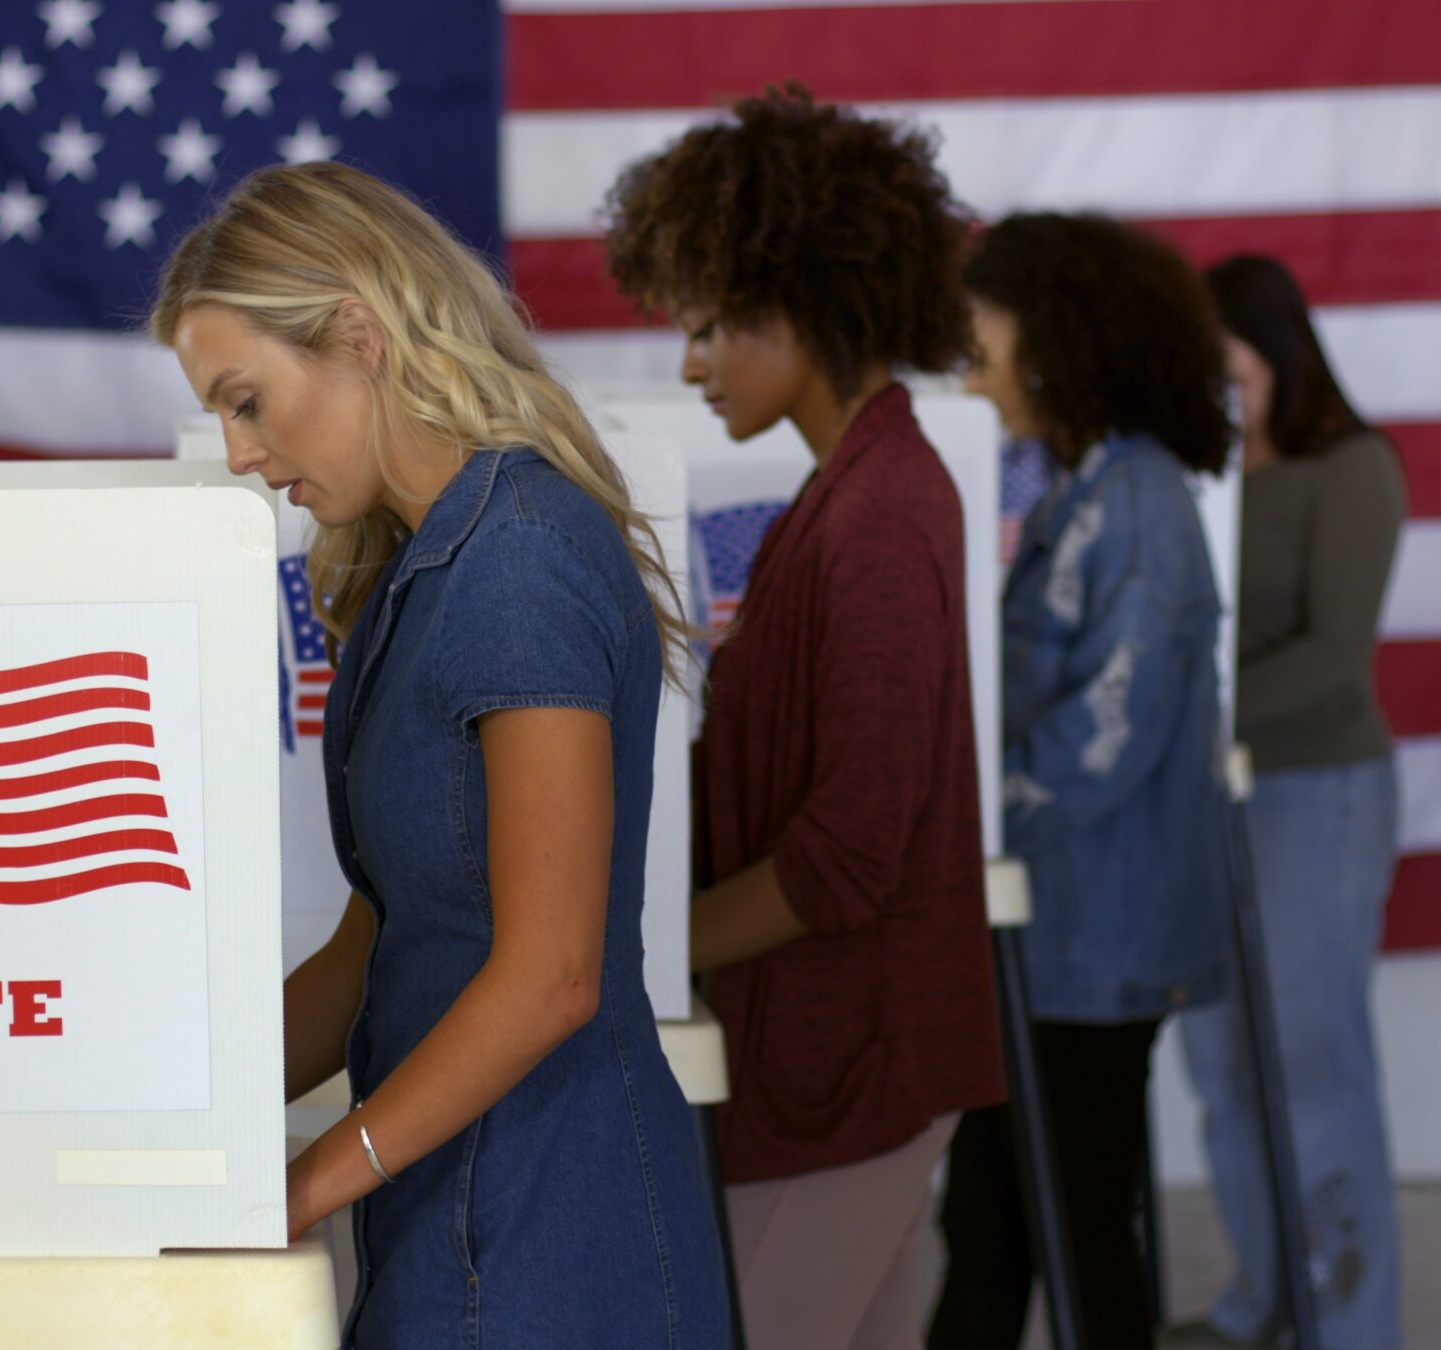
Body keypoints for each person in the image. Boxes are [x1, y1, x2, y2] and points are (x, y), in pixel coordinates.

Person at [151, 161, 728, 1350]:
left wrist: (300, 1189)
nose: (240, 451)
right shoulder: (425, 565)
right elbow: (377, 943)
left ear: (358, 336)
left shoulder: (517, 562)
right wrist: (170, 1114)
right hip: (454, 1222)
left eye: (248, 401)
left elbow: (551, 976)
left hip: (557, 1242)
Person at [604, 86, 1005, 1350]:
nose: (690, 363)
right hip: (847, 1051)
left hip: (855, 1055)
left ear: (797, 303)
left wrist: (648, 957)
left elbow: (849, 849)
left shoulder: (876, 515)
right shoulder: (852, 494)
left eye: (709, 326)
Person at [927, 214, 1237, 1350]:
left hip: (1091, 939)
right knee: (1005, 1219)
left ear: (1057, 343)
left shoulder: (1136, 505)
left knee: (1067, 1226)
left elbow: (1104, 738)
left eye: (984, 347)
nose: (972, 375)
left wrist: (955, 816)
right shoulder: (1083, 489)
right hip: (1055, 930)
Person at [1169, 255, 1408, 1350]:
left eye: (1229, 367)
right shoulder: (1188, 473)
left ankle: (1348, 1323)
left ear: (1276, 353)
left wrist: (1182, 722)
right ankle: (1265, 1301)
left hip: (1315, 793)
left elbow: (1333, 656)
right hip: (1201, 802)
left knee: (1314, 1064)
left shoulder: (1350, 468)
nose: (1214, 389)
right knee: (1220, 1067)